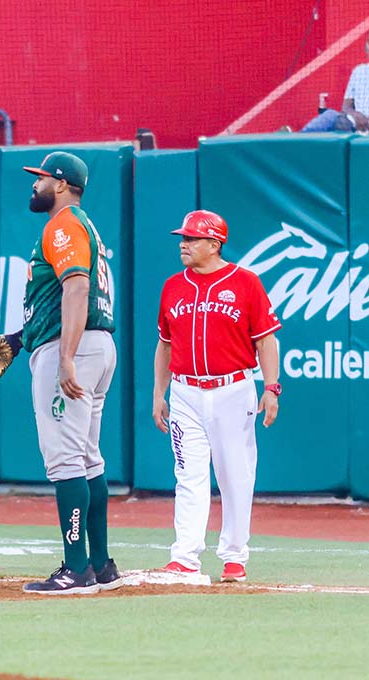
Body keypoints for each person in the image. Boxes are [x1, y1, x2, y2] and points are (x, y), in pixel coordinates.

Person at [152, 210, 282, 583]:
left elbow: (265, 340)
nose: (184, 244)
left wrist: (271, 387)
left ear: (214, 243)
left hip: (233, 389)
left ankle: (234, 557)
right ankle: (185, 557)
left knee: (235, 475)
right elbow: (164, 345)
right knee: (188, 475)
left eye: (192, 239)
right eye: (183, 238)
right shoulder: (172, 286)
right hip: (185, 391)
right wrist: (159, 394)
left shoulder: (245, 282)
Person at [18, 152, 121, 595]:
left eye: (40, 178)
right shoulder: (86, 226)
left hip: (75, 349)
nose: (34, 185)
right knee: (87, 457)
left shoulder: (62, 224)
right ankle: (99, 564)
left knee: (64, 459)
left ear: (60, 184)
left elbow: (77, 287)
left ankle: (77, 569)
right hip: (96, 346)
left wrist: (65, 357)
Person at [301, 34, 369, 133]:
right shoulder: (358, 71)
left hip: (366, 125)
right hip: (355, 120)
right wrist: (355, 115)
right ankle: (296, 139)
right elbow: (346, 107)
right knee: (330, 116)